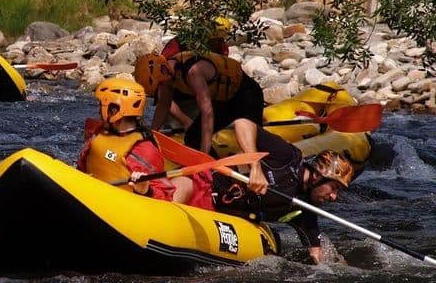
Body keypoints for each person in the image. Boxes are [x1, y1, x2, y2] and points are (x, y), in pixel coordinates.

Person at [134, 48, 269, 194]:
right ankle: (216, 178)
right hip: (225, 100)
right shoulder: (166, 77)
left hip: (246, 94)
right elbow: (163, 105)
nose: (162, 88)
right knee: (193, 136)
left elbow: (207, 112)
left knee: (252, 141)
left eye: (160, 85)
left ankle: (261, 177)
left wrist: (204, 155)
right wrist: (151, 134)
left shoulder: (193, 72)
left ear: (164, 71)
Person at [211, 127, 355, 264]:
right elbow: (243, 124)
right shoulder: (286, 156)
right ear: (318, 176)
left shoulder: (305, 209)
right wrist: (255, 167)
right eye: (334, 188)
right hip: (210, 186)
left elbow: (317, 255)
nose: (334, 197)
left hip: (223, 215)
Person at [77, 78, 213, 209]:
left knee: (186, 182)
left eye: (103, 105)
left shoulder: (142, 149)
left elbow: (164, 196)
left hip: (131, 208)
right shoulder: (99, 133)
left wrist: (146, 190)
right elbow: (81, 167)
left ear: (115, 110)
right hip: (96, 199)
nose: (99, 110)